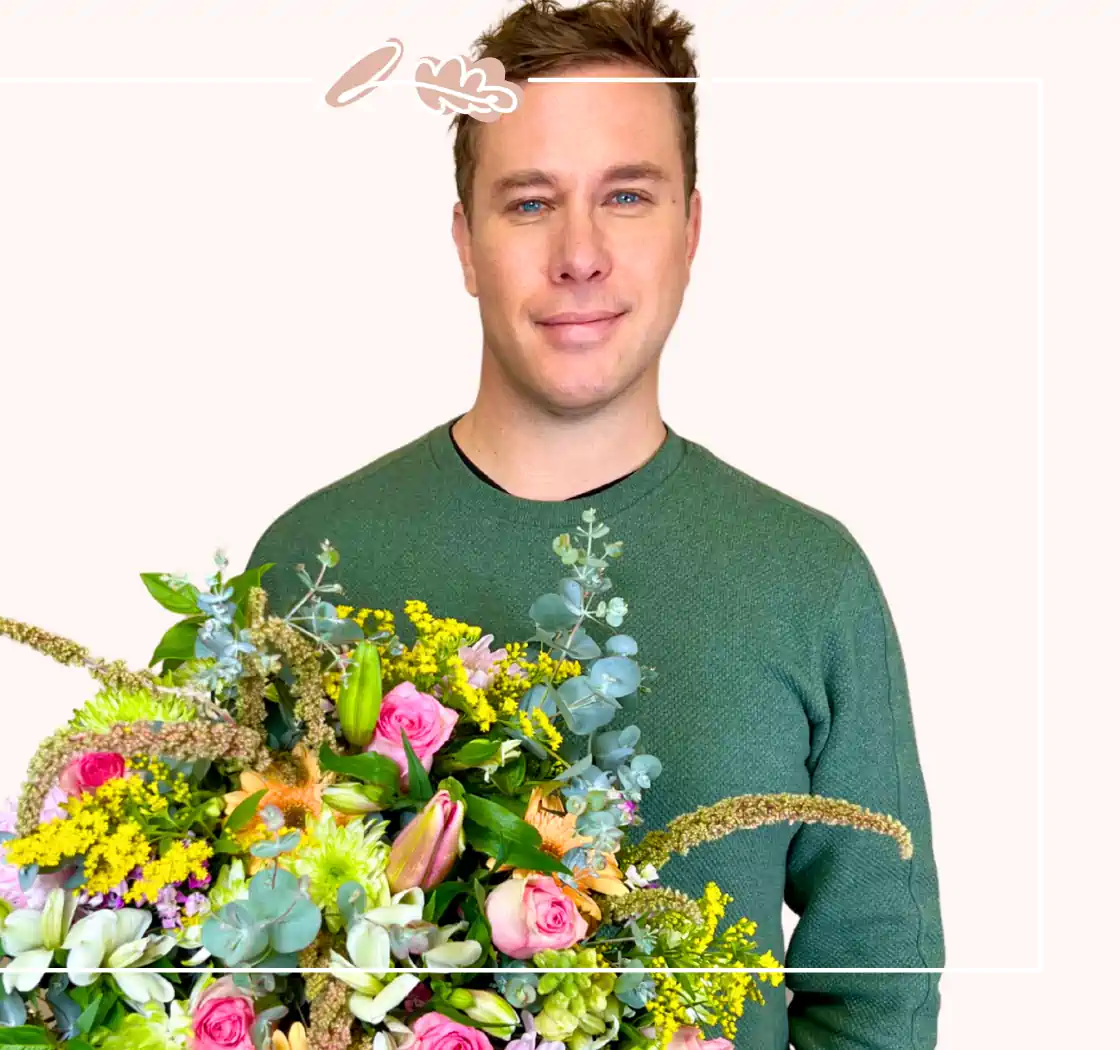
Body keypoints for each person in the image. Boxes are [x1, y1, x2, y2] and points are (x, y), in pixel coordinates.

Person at [246, 2, 944, 1046]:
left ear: (691, 228)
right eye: (528, 203)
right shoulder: (312, 562)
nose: (579, 254)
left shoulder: (808, 578)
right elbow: (231, 953)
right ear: (464, 242)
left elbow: (878, 991)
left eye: (625, 195)